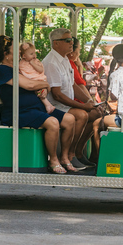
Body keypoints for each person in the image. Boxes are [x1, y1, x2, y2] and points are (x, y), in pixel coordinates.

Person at [0, 35, 77, 174]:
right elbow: (30, 85)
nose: (19, 51)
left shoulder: (19, 67)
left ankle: (64, 157)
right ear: (6, 54)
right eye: (15, 48)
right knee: (53, 123)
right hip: (19, 111)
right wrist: (45, 84)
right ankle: (53, 160)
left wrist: (43, 85)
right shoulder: (3, 71)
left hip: (36, 108)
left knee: (70, 120)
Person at [42, 28, 99, 169]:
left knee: (96, 114)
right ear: (56, 43)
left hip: (64, 105)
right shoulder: (51, 62)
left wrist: (88, 101)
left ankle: (78, 152)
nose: (71, 43)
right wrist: (83, 106)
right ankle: (67, 155)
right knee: (81, 115)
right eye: (67, 40)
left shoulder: (65, 59)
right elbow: (57, 95)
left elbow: (73, 85)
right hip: (54, 106)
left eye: (72, 40)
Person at [17, 42, 55, 114]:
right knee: (39, 92)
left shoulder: (35, 61)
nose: (34, 55)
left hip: (38, 79)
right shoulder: (21, 63)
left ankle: (48, 105)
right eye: (31, 54)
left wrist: (33, 64)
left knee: (40, 92)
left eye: (34, 53)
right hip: (30, 81)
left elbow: (40, 70)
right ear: (24, 56)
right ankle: (48, 105)